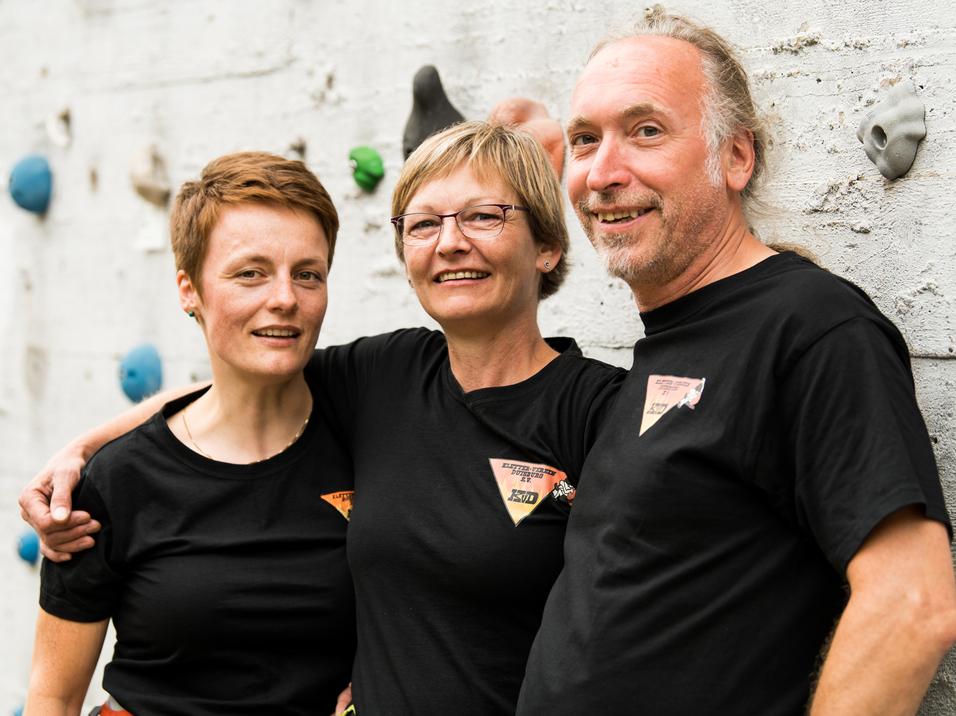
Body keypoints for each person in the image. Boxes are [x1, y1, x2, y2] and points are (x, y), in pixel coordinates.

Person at [21, 122, 625, 715]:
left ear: (548, 246)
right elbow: (242, 377)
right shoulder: (388, 373)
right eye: (423, 224)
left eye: (484, 216)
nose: (450, 243)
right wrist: (83, 450)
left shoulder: (599, 411)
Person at [515, 8, 956, 715]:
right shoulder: (666, 344)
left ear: (737, 157)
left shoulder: (811, 326)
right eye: (584, 140)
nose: (601, 172)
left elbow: (912, 603)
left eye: (646, 131)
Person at [25, 152, 355, 715]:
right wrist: (84, 449)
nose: (284, 298)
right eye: (250, 272)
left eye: (308, 273)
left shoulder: (372, 425)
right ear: (189, 290)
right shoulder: (116, 481)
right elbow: (52, 697)